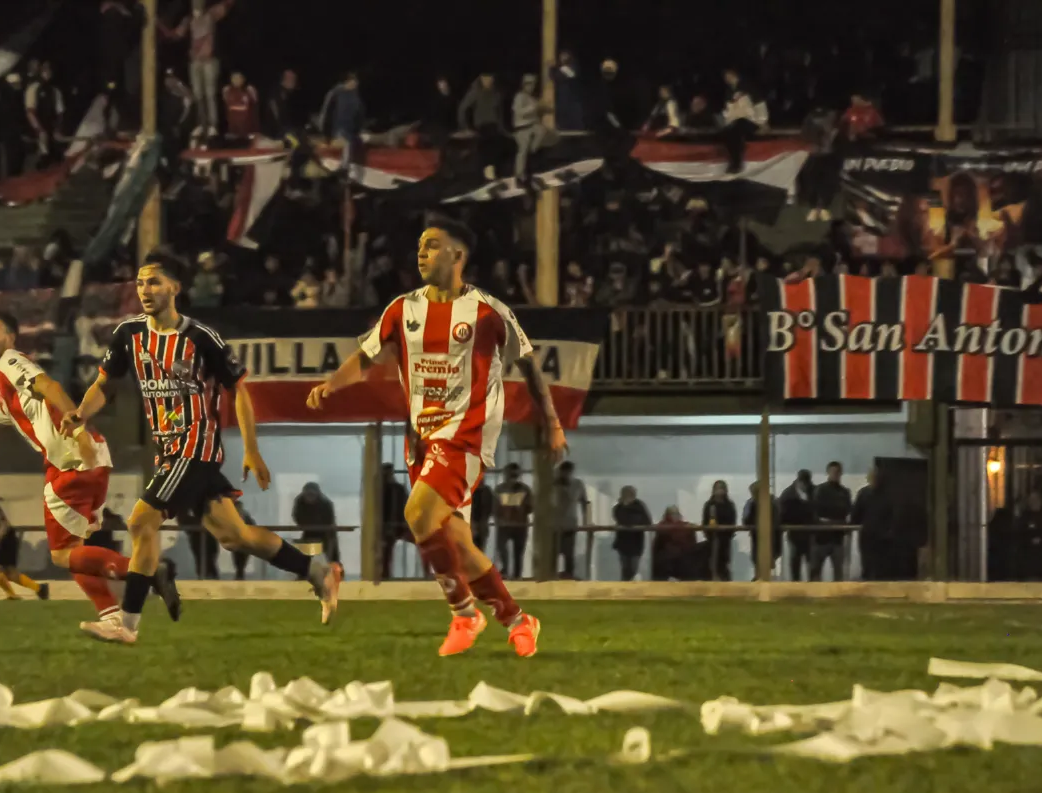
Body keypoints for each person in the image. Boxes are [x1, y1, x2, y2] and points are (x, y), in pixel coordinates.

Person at [307, 215, 562, 657]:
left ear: (457, 255)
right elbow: (366, 357)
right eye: (420, 246)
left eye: (431, 245)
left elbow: (529, 364)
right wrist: (332, 384)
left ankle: (464, 613)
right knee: (459, 544)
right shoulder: (402, 309)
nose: (421, 253)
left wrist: (552, 422)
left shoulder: (489, 311)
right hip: (421, 439)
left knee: (418, 514)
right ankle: (518, 619)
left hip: (466, 434)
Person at [64, 249, 342, 642]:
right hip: (169, 452)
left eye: (154, 281)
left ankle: (126, 625)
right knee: (236, 536)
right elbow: (105, 384)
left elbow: (239, 390)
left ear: (175, 288)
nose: (145, 289)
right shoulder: (128, 334)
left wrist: (251, 449)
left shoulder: (200, 337)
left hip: (194, 448)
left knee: (141, 522)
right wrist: (80, 413)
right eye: (140, 282)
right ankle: (317, 570)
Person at [0, 312, 169, 624]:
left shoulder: (11, 361)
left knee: (62, 554)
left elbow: (49, 385)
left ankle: (145, 573)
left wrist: (78, 429)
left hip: (72, 458)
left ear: (11, 337)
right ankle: (111, 618)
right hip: (87, 457)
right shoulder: (4, 396)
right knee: (74, 552)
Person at [612, 486, 651, 581]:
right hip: (623, 542)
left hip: (636, 542)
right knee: (625, 568)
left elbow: (647, 521)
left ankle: (629, 586)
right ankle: (624, 588)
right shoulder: (618, 507)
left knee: (633, 568)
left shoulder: (640, 506)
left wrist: (633, 521)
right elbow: (622, 519)